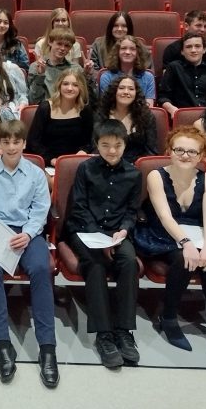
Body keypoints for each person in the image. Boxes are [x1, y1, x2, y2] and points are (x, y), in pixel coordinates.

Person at [0, 120, 58, 387]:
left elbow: (41, 209)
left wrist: (29, 233)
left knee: (42, 269)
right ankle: (2, 344)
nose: (10, 147)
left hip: (27, 233)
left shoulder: (35, 174)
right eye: (5, 142)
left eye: (15, 142)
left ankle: (47, 348)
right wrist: (1, 232)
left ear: (23, 144)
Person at [133, 127, 206, 358]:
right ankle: (168, 317)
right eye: (179, 150)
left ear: (201, 156)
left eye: (192, 152)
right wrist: (186, 243)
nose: (185, 155)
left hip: (198, 232)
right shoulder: (156, 175)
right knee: (182, 259)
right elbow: (164, 216)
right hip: (163, 231)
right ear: (169, 151)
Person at [63, 119, 143, 369]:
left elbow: (132, 212)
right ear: (96, 145)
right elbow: (79, 207)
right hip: (84, 230)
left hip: (117, 233)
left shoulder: (134, 173)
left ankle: (124, 330)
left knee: (129, 262)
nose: (111, 150)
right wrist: (99, 237)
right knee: (95, 264)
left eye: (117, 145)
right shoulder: (86, 169)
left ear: (124, 145)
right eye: (105, 145)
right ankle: (104, 334)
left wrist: (123, 230)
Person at [27, 68, 94, 167]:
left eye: (75, 85)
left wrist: (83, 151)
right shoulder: (45, 108)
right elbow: (33, 142)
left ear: (81, 88)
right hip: (48, 163)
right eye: (65, 84)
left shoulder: (85, 110)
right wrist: (51, 160)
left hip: (76, 163)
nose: (70, 88)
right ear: (59, 86)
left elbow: (89, 140)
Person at [158, 32, 206, 116]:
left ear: (204, 50)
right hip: (182, 117)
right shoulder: (174, 67)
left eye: (197, 46)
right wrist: (173, 110)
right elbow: (163, 97)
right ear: (182, 51)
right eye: (188, 47)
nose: (193, 50)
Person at [97, 74, 158, 163]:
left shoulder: (146, 116)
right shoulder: (102, 114)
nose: (126, 92)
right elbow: (96, 147)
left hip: (136, 168)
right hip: (106, 164)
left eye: (131, 89)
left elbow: (151, 151)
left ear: (136, 93)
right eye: (121, 88)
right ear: (114, 91)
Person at [98, 36, 156, 107]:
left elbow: (149, 107)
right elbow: (107, 106)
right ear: (117, 52)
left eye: (132, 49)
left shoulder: (148, 77)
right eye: (123, 48)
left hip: (141, 116)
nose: (127, 52)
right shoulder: (106, 77)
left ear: (138, 53)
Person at [28, 28, 77, 104]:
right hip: (44, 111)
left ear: (70, 48)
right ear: (50, 42)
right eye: (59, 44)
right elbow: (33, 100)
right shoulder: (36, 67)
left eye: (67, 46)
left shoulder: (75, 69)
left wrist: (88, 76)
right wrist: (40, 75)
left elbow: (85, 100)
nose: (62, 48)